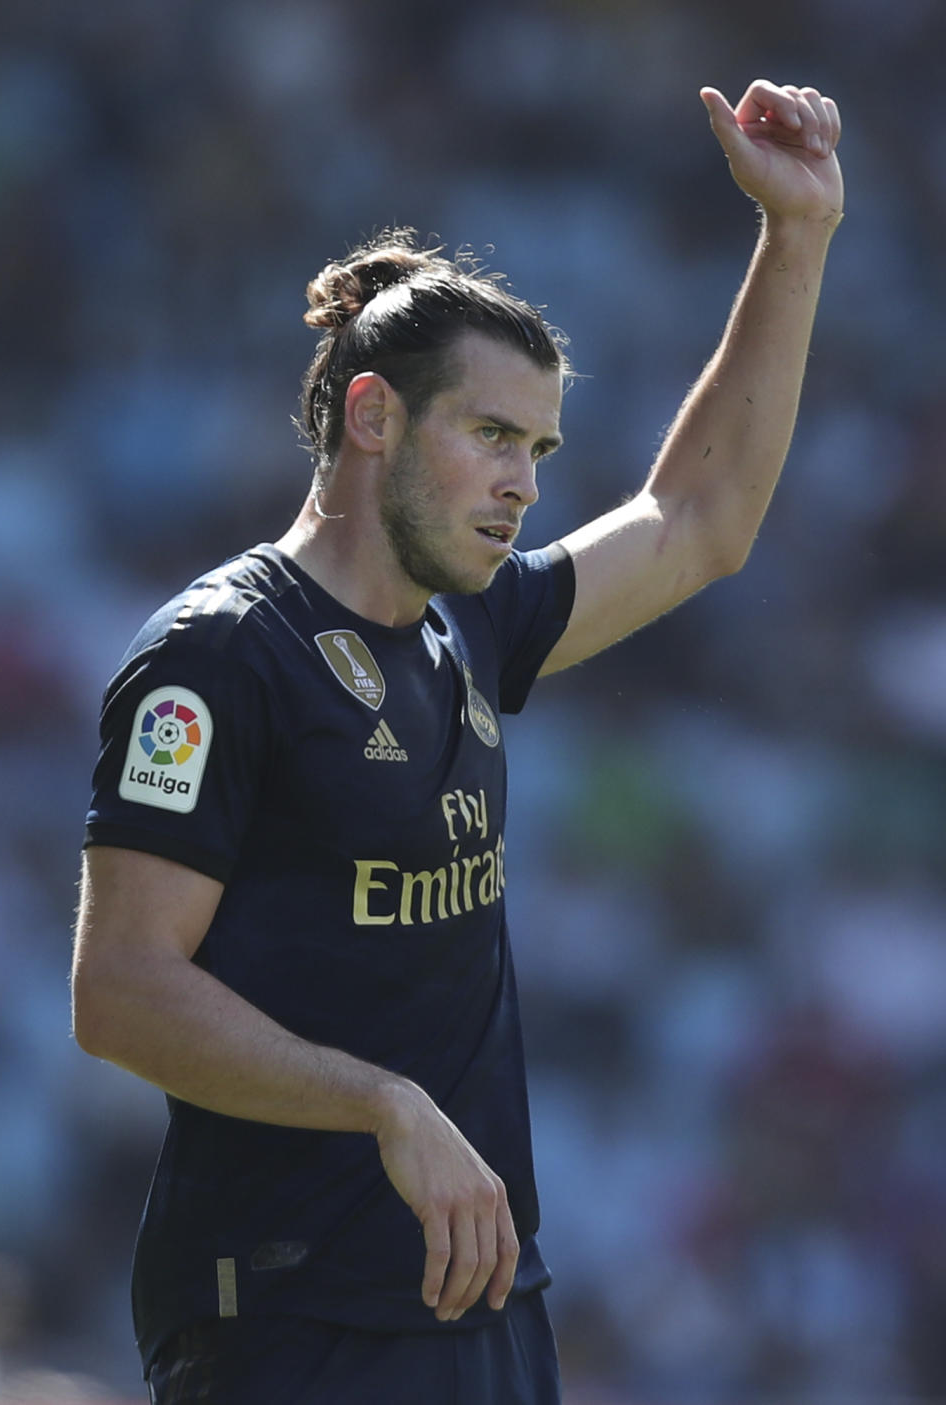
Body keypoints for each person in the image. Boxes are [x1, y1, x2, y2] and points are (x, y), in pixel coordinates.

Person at [72, 78, 843, 1404]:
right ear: (373, 417)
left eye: (538, 448)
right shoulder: (217, 657)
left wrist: (798, 237)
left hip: (482, 1301)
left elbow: (701, 515)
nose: (527, 484)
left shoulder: (469, 626)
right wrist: (382, 1100)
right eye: (493, 436)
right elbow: (120, 991)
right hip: (291, 1314)